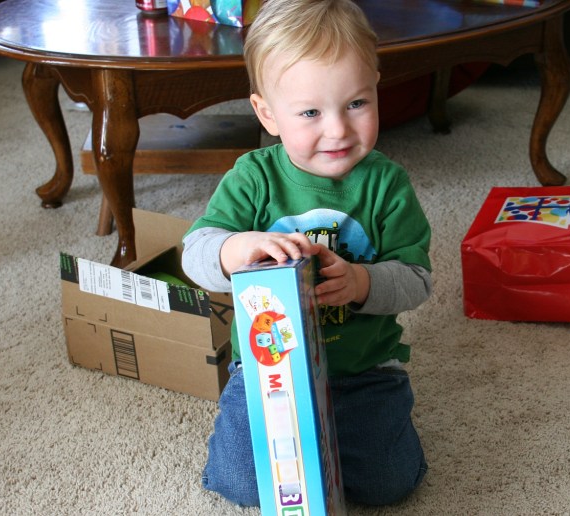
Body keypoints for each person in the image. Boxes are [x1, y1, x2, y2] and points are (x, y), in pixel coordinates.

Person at [181, 0, 432, 507]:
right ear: (268, 114)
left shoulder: (387, 184)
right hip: (267, 371)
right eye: (311, 113)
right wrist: (237, 247)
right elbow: (193, 255)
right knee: (243, 483)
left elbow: (418, 279)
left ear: (377, 87)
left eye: (356, 104)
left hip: (363, 371)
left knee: (389, 483)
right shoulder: (253, 177)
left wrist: (362, 283)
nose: (337, 129)